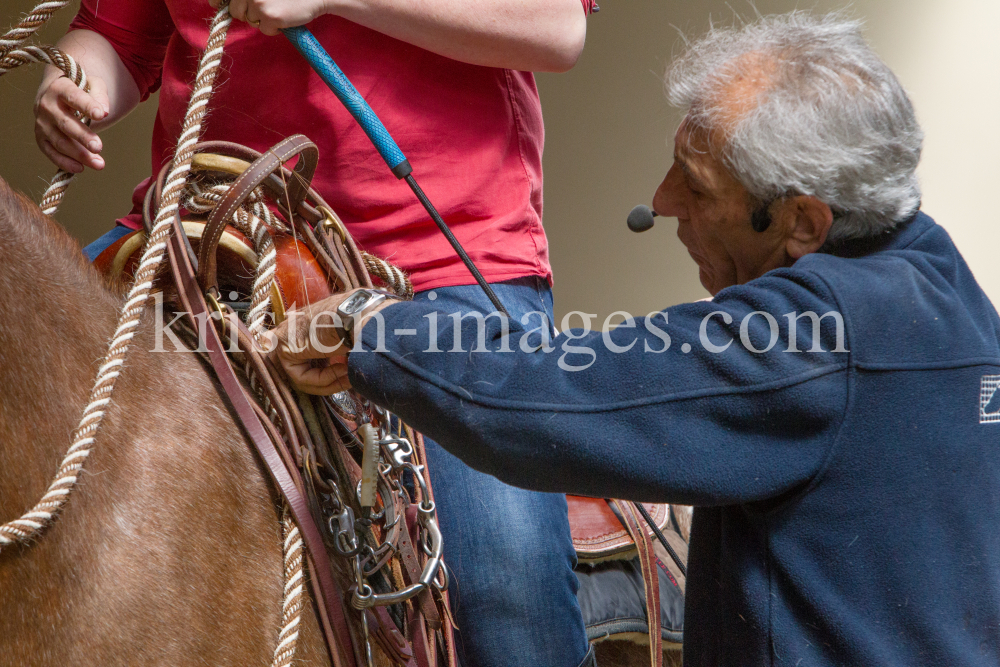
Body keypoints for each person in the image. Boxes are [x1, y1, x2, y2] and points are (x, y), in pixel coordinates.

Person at [272, 12, 1000, 667]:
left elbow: (559, 391)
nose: (661, 202)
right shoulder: (952, 295)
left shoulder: (811, 340)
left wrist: (373, 329)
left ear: (805, 223)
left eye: (699, 187)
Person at [34, 1, 599, 665]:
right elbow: (116, 35)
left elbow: (556, 27)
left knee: (505, 598)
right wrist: (78, 85)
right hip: (208, 241)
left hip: (433, 260)